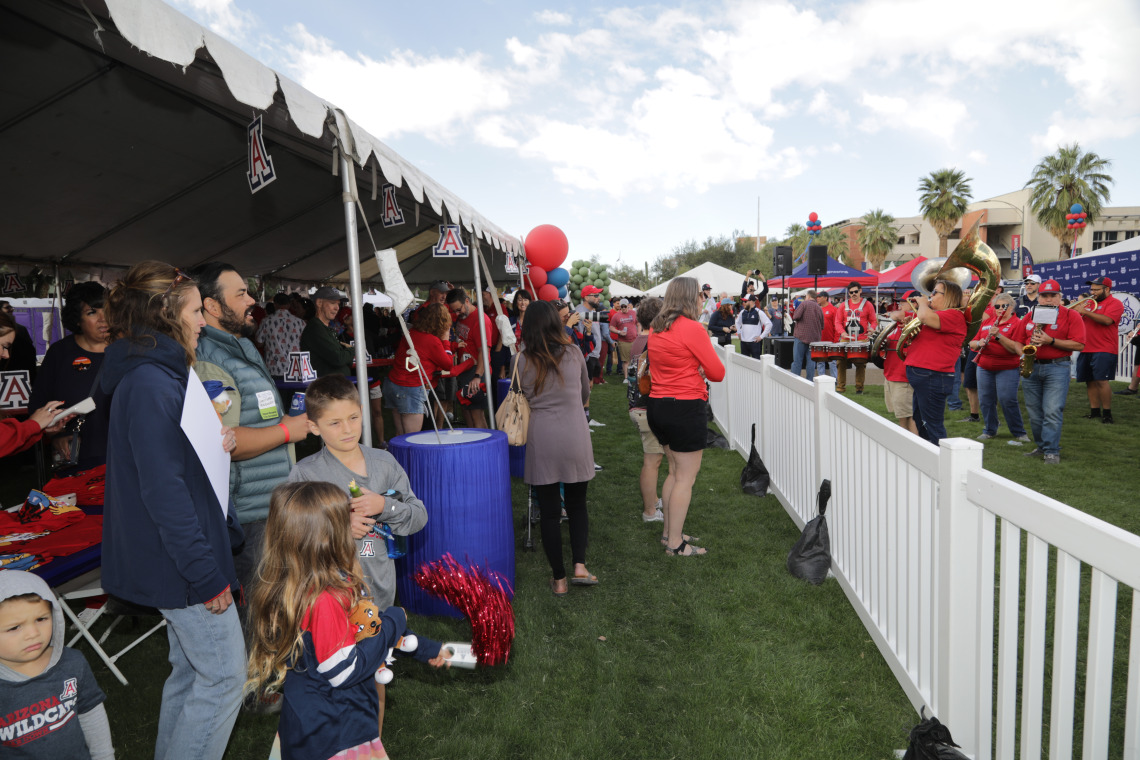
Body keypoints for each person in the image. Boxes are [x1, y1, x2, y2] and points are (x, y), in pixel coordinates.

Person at [99, 261, 245, 760]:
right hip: (181, 564)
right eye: (194, 311)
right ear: (166, 315)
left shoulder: (160, 373)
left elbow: (169, 461)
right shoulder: (151, 382)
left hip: (177, 556)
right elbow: (163, 493)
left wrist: (211, 442)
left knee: (192, 673)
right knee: (225, 678)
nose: (203, 320)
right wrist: (206, 574)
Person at [244, 481, 447, 760]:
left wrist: (424, 648)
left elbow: (365, 628)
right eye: (344, 518)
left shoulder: (293, 586)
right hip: (338, 734)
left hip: (305, 728)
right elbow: (345, 670)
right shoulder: (325, 599)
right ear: (327, 536)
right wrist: (394, 620)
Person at [190, 263, 310, 640]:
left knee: (275, 600)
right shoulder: (211, 358)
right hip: (248, 509)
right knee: (260, 609)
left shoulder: (238, 347)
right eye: (240, 293)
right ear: (211, 305)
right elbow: (225, 441)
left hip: (266, 500)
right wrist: (287, 431)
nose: (251, 301)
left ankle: (270, 680)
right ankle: (259, 693)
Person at [513, 301, 597, 595]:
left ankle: (559, 580)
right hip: (574, 433)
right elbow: (585, 391)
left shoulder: (523, 359)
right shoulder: (574, 353)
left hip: (543, 437)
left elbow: (521, 395)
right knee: (576, 505)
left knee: (549, 511)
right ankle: (580, 566)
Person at [647, 277, 726, 557]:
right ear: (691, 297)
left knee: (674, 472)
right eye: (701, 295)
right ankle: (676, 543)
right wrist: (700, 369)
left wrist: (695, 368)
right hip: (684, 407)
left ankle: (670, 532)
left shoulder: (657, 327)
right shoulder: (692, 328)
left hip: (658, 405)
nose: (703, 299)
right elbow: (718, 373)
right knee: (685, 478)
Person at [0, 570, 114, 760]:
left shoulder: (72, 663)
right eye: (14, 627)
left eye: (41, 619)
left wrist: (104, 756)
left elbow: (91, 712)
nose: (33, 633)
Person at [26, 282, 111, 471]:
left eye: (106, 309)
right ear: (77, 320)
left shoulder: (126, 350)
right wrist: (55, 435)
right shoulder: (60, 353)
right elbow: (38, 403)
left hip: (121, 453)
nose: (103, 318)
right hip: (76, 458)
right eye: (92, 312)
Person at [1014, 279, 1086, 464]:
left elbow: (1079, 343)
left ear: (1060, 297)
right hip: (1033, 365)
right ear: (1039, 297)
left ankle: (1052, 450)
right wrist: (1023, 354)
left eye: (1053, 295)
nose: (1048, 299)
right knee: (1034, 412)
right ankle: (1041, 446)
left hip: (1057, 367)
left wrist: (1050, 341)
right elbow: (1017, 340)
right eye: (1044, 296)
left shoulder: (1071, 315)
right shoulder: (1030, 316)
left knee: (1052, 410)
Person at [383, 303, 471, 436]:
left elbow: (428, 352)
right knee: (412, 438)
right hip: (410, 388)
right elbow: (448, 364)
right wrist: (446, 341)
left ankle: (396, 457)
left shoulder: (412, 333)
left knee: (400, 434)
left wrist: (451, 346)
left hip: (393, 384)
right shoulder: (432, 340)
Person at [903, 279, 968, 444]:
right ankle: (930, 456)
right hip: (925, 375)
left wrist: (923, 303)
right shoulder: (939, 316)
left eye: (934, 293)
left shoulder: (954, 315)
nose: (930, 296)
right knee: (920, 421)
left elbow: (924, 316)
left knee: (932, 425)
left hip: (932, 376)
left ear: (949, 297)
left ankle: (941, 461)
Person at [626, 297, 668, 523]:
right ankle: (650, 511)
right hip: (647, 407)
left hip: (637, 406)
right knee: (653, 462)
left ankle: (653, 499)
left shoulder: (638, 339)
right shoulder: (653, 341)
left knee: (653, 460)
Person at [969, 292, 1029, 443]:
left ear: (1012, 307)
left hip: (1007, 367)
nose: (1001, 308)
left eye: (1004, 306)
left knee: (1007, 399)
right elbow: (972, 343)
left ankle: (1019, 432)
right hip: (984, 366)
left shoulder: (1017, 323)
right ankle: (990, 430)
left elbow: (1016, 348)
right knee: (985, 399)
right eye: (997, 306)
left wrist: (999, 336)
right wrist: (979, 343)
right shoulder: (987, 322)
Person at [1075, 276, 1124, 424]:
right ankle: (1094, 411)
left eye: (1096, 289)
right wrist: (1076, 312)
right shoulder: (1089, 303)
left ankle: (1107, 413)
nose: (1093, 292)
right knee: (1089, 381)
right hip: (1086, 347)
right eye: (1092, 289)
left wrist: (1084, 311)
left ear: (1107, 289)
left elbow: (1107, 320)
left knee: (1101, 381)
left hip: (1104, 347)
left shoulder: (1115, 303)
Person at [881, 294, 918, 435]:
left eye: (903, 303)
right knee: (902, 416)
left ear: (913, 303)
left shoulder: (913, 319)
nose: (899, 306)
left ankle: (915, 446)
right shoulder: (898, 324)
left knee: (909, 417)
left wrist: (892, 314)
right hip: (892, 374)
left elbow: (896, 314)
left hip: (903, 376)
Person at [300, 286, 355, 377]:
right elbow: (339, 359)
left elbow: (346, 361)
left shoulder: (325, 328)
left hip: (336, 385)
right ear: (319, 303)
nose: (337, 308)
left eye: (338, 304)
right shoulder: (316, 328)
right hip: (327, 387)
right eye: (333, 303)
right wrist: (351, 350)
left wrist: (346, 355)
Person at [834, 282, 877, 393]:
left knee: (860, 363)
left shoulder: (868, 305)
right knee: (840, 362)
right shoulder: (843, 305)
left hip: (862, 338)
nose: (853, 294)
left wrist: (872, 329)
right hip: (845, 339)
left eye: (855, 291)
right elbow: (837, 322)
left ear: (860, 291)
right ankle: (840, 387)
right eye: (851, 292)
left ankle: (859, 388)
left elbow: (873, 321)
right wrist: (842, 333)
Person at [256, 292, 305, 377]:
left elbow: (259, 343)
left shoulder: (267, 321)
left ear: (275, 304)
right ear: (289, 304)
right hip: (295, 369)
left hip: (274, 369)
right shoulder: (300, 322)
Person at [0, 301, 38, 382]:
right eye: (7, 307)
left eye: (11, 307)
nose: (11, 309)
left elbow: (29, 352)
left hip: (18, 376)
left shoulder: (21, 329)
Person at [790, 289, 824, 377]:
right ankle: (810, 383)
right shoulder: (819, 307)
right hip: (814, 339)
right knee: (811, 363)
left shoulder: (804, 304)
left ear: (808, 296)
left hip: (801, 336)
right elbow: (822, 325)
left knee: (797, 361)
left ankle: (795, 381)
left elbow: (795, 316)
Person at [735, 294, 772, 360]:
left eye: (745, 301)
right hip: (744, 343)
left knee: (756, 364)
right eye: (743, 301)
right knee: (744, 363)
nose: (743, 303)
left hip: (755, 343)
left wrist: (761, 337)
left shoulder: (759, 312)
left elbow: (769, 324)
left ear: (751, 301)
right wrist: (739, 332)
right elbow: (737, 322)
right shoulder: (742, 312)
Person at [608, 298, 638, 377]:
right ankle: (626, 377)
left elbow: (638, 323)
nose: (623, 308)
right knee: (626, 361)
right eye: (622, 307)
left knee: (635, 360)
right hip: (623, 341)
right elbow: (611, 327)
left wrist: (639, 332)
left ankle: (634, 376)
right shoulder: (616, 316)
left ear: (628, 306)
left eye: (625, 306)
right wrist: (619, 332)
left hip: (634, 340)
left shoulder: (633, 313)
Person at [815, 290, 838, 377]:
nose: (818, 298)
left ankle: (834, 380)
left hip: (831, 340)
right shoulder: (817, 309)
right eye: (817, 297)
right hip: (819, 340)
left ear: (825, 298)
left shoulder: (833, 309)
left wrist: (836, 339)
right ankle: (821, 379)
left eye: (819, 297)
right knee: (820, 361)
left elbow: (836, 325)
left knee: (832, 362)